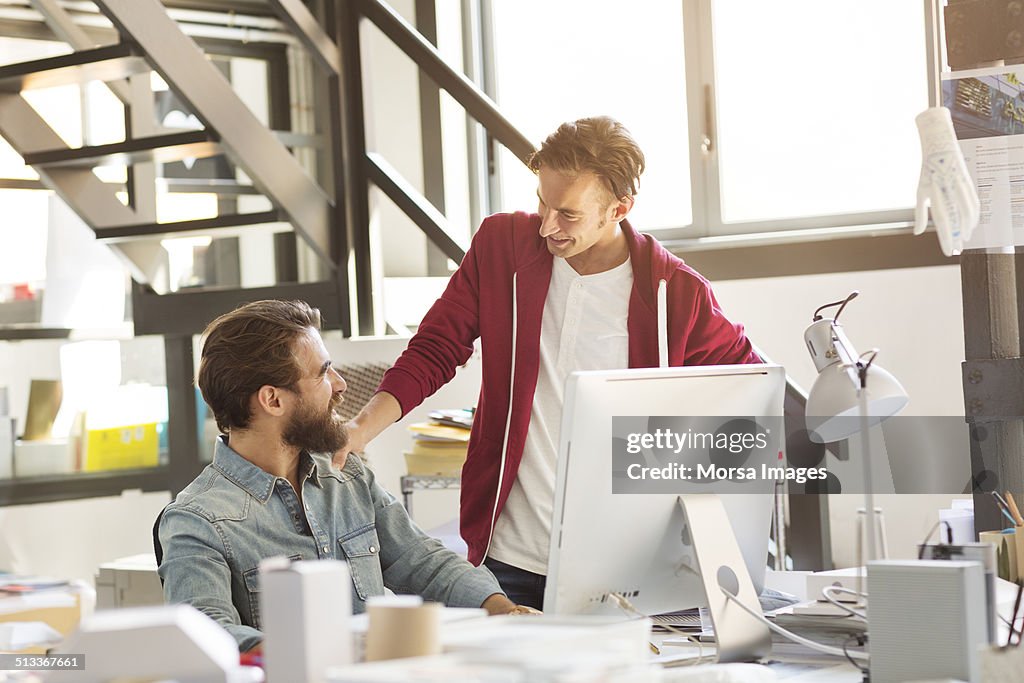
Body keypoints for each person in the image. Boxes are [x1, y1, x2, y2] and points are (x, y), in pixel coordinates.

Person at [338, 116, 759, 609]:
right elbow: (436, 347)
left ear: (618, 210)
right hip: (509, 557)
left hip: (626, 567)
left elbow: (747, 398)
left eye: (568, 214)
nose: (547, 225)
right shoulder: (502, 247)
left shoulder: (676, 293)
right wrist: (360, 430)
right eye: (542, 201)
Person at [157, 299, 526, 653]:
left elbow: (422, 562)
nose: (340, 384)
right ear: (272, 400)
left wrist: (503, 609)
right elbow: (207, 633)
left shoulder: (346, 475)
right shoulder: (196, 521)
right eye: (322, 372)